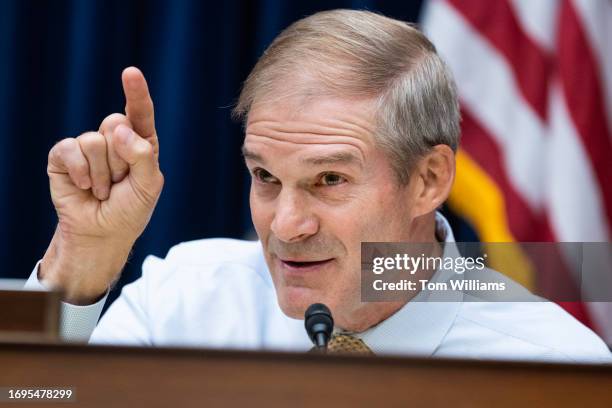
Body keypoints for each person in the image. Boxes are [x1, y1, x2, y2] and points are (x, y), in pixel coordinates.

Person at [26, 9, 611, 361]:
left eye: (329, 180)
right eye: (265, 177)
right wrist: (80, 266)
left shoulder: (553, 365)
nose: (285, 227)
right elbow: (36, 399)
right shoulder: (182, 299)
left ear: (429, 180)